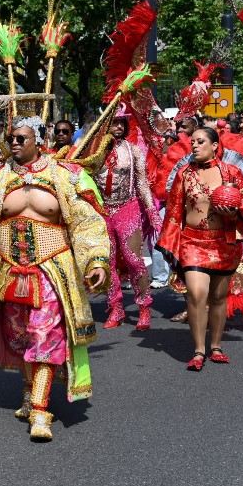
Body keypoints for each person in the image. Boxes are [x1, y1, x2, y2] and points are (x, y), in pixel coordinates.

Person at [0, 116, 110, 441]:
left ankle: (40, 409)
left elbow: (86, 223)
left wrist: (96, 259)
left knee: (44, 336)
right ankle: (30, 388)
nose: (14, 143)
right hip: (8, 271)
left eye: (22, 137)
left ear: (39, 139)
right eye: (11, 137)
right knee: (19, 337)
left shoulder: (65, 176)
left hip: (52, 271)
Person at [156, 127, 243, 371]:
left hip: (224, 243)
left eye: (201, 141)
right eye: (193, 142)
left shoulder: (232, 173)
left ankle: (216, 346)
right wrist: (170, 243)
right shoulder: (184, 175)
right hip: (192, 243)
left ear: (215, 145)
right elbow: (174, 211)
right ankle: (199, 350)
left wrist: (235, 212)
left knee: (218, 298)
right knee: (197, 293)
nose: (195, 146)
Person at [93, 116, 161, 330]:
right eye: (115, 122)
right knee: (107, 261)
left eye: (123, 123)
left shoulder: (134, 151)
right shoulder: (92, 151)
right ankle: (116, 307)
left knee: (134, 259)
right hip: (101, 210)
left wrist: (152, 211)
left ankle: (144, 307)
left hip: (127, 207)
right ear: (104, 124)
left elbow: (141, 183)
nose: (119, 126)